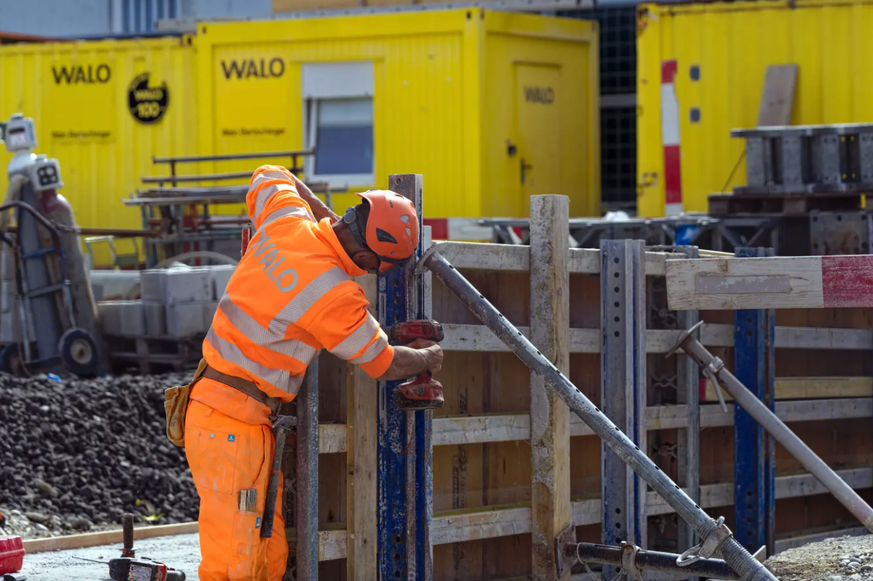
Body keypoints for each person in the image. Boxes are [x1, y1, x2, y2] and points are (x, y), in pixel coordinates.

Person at [181, 165, 443, 581]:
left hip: (224, 417)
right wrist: (429, 357)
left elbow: (269, 174)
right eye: (377, 267)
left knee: (264, 554)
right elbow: (385, 362)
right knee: (235, 565)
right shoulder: (334, 294)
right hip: (233, 427)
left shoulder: (287, 220)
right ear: (362, 256)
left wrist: (322, 214)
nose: (373, 275)